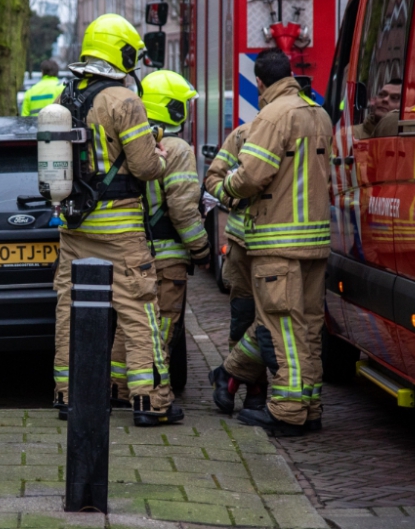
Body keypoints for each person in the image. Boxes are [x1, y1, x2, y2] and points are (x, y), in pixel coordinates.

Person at [53, 13, 183, 427]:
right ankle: (150, 401)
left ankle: (67, 396)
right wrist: (160, 157)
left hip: (75, 226)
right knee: (139, 310)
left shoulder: (64, 97)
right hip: (120, 229)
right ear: (120, 51)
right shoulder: (123, 100)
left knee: (70, 312)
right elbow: (144, 167)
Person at [209, 47, 333, 437]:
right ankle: (309, 406)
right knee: (310, 327)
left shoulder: (272, 115)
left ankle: (287, 411)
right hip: (315, 241)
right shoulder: (319, 113)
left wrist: (227, 191)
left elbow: (250, 176)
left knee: (282, 329)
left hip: (277, 243)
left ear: (259, 82)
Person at [108, 69, 209, 408]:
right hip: (166, 260)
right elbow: (182, 208)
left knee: (130, 323)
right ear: (173, 108)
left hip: (132, 252)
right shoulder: (177, 148)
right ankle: (152, 393)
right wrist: (201, 248)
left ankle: (119, 388)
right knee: (161, 327)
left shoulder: (133, 143)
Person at [203, 119, 268, 413]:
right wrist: (233, 197)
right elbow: (213, 176)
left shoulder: (295, 133)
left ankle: (230, 378)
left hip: (278, 245)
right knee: (242, 319)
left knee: (268, 320)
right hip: (242, 244)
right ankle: (253, 390)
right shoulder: (242, 134)